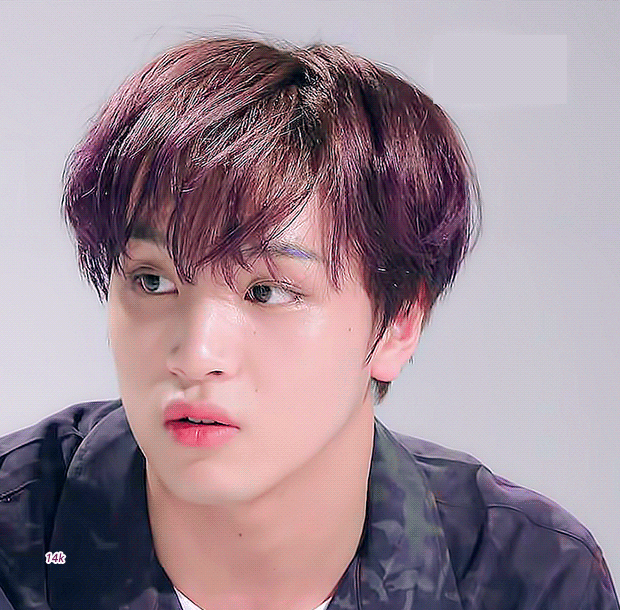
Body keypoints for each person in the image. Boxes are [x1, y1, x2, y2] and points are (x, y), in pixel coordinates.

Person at [0, 35, 617, 610]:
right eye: (153, 281)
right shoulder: (14, 542)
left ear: (398, 325)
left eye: (267, 292)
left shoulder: (526, 577)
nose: (195, 354)